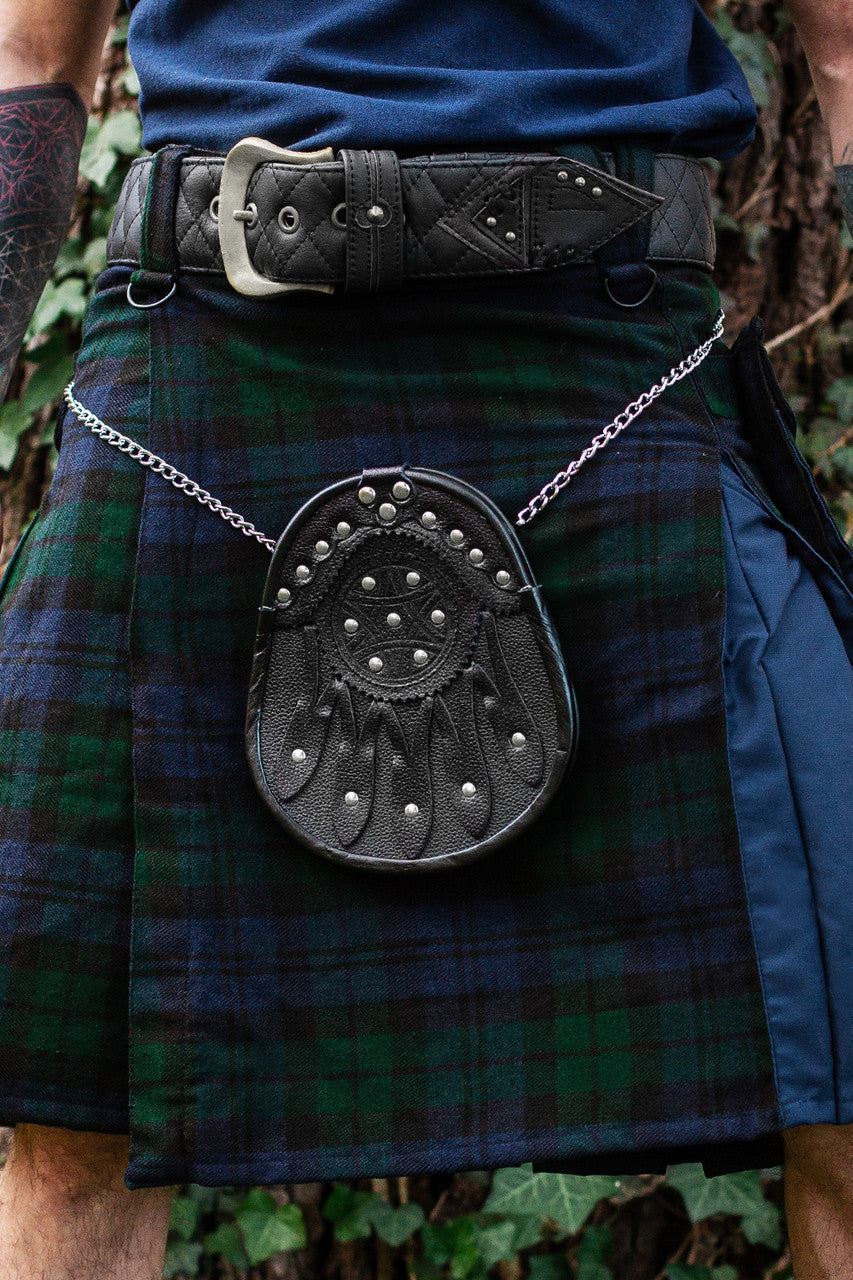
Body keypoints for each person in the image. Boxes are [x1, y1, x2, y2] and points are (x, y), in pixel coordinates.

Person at [0, 0, 849, 1276]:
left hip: (608, 360)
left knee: (841, 1060)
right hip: (204, 375)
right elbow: (28, 56)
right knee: (72, 1120)